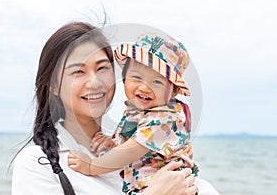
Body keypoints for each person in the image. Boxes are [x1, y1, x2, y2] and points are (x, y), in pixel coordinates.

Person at [11, 21, 204, 195]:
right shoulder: (37, 164)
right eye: (78, 71)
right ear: (52, 85)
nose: (94, 83)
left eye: (102, 68)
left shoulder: (170, 169)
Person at [67, 32, 200, 194]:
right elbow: (134, 144)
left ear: (174, 91)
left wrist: (90, 166)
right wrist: (112, 143)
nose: (145, 88)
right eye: (137, 77)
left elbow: (130, 151)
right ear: (124, 78)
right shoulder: (138, 111)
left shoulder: (165, 117)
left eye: (157, 82)